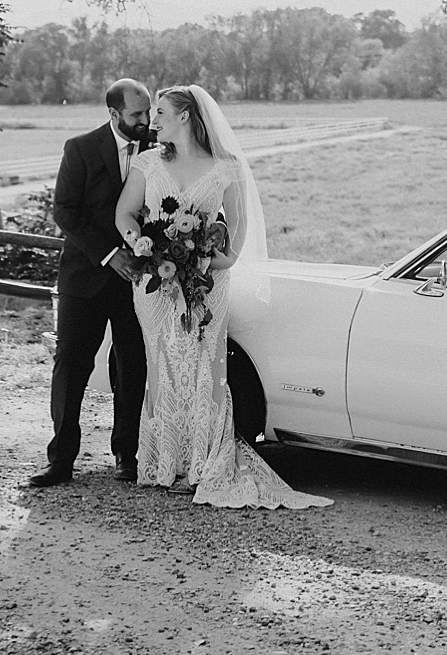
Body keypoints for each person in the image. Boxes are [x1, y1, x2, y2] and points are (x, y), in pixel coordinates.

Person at [115, 84, 331, 509]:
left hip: (205, 284)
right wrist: (140, 244)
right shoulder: (146, 163)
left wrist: (213, 262)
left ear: (186, 117)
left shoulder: (226, 167)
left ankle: (203, 465)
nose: (153, 121)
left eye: (161, 112)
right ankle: (165, 462)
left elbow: (238, 232)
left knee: (204, 367)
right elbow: (124, 213)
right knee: (163, 366)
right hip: (154, 285)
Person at [26, 79, 153, 488]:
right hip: (86, 277)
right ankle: (60, 460)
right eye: (136, 115)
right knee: (71, 365)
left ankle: (127, 456)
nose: (145, 121)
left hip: (139, 279)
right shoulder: (79, 148)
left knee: (132, 366)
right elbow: (65, 210)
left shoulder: (158, 147)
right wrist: (109, 254)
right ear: (114, 114)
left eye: (148, 112)